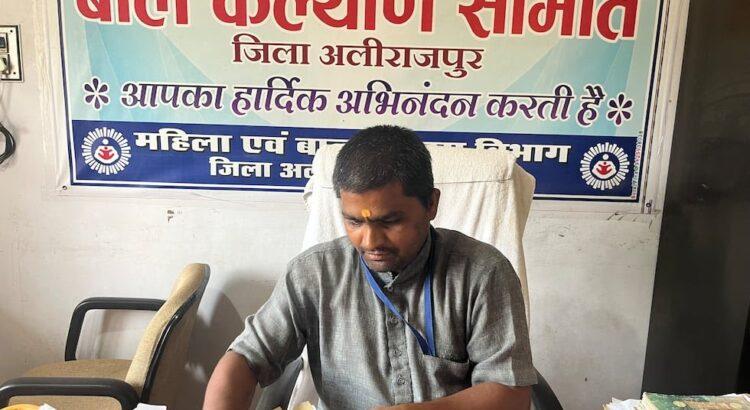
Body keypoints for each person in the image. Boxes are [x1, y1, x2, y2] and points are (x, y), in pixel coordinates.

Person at [204, 125, 536, 410]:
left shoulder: (483, 273)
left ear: (431, 204)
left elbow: (511, 393)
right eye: (354, 221)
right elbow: (244, 360)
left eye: (390, 221)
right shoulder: (313, 274)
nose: (370, 241)